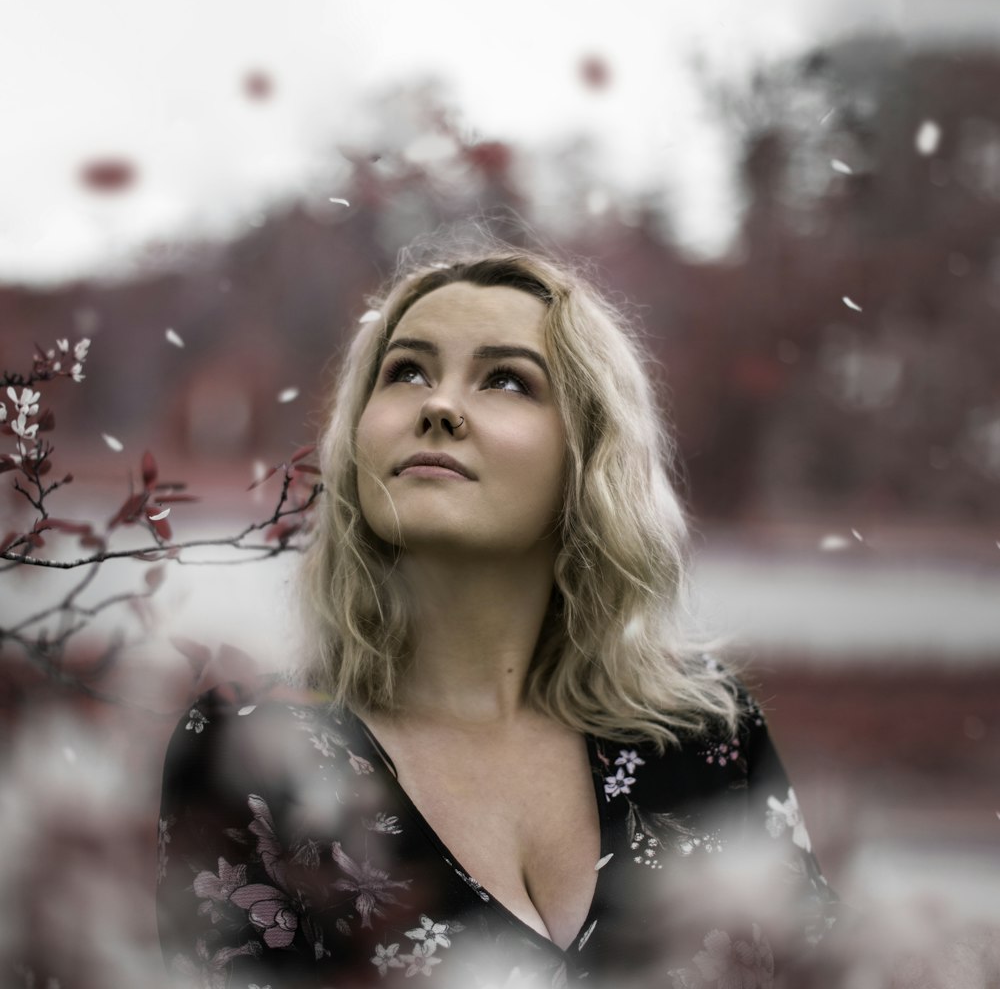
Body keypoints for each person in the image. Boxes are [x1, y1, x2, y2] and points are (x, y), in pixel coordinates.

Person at [157, 238, 837, 988]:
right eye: (406, 371)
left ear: (588, 457)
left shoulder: (706, 732)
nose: (439, 405)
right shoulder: (254, 751)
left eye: (507, 381)